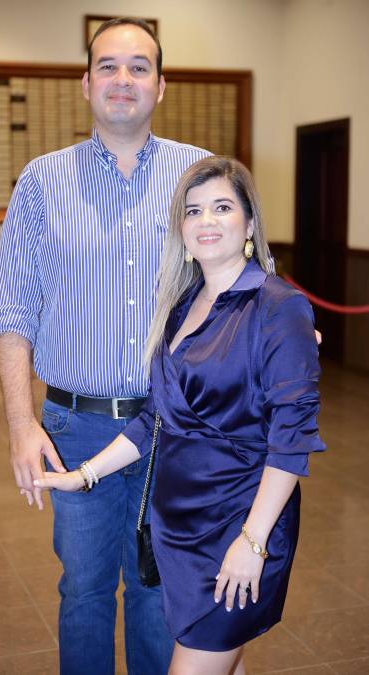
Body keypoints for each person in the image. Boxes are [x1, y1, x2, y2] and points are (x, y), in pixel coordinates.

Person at [34, 156, 326, 675]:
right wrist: (85, 474)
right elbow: (157, 417)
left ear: (249, 224)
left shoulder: (279, 307)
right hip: (181, 532)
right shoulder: (181, 305)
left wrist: (253, 542)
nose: (206, 221)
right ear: (181, 228)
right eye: (193, 211)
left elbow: (291, 441)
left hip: (239, 525)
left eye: (222, 207)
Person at [0, 17, 210, 675]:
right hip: (75, 428)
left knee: (158, 588)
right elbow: (11, 311)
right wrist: (21, 424)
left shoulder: (199, 176)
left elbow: (246, 285)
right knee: (83, 591)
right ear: (86, 84)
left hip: (174, 426)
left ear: (160, 85)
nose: (123, 79)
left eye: (139, 67)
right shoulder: (42, 182)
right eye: (108, 66)